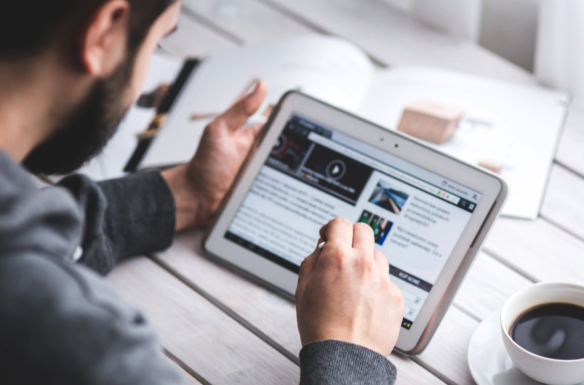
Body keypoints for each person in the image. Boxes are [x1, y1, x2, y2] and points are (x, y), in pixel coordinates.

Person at [0, 1, 405, 384]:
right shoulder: (86, 346)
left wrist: (185, 193)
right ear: (104, 31)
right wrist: (350, 356)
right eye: (157, 41)